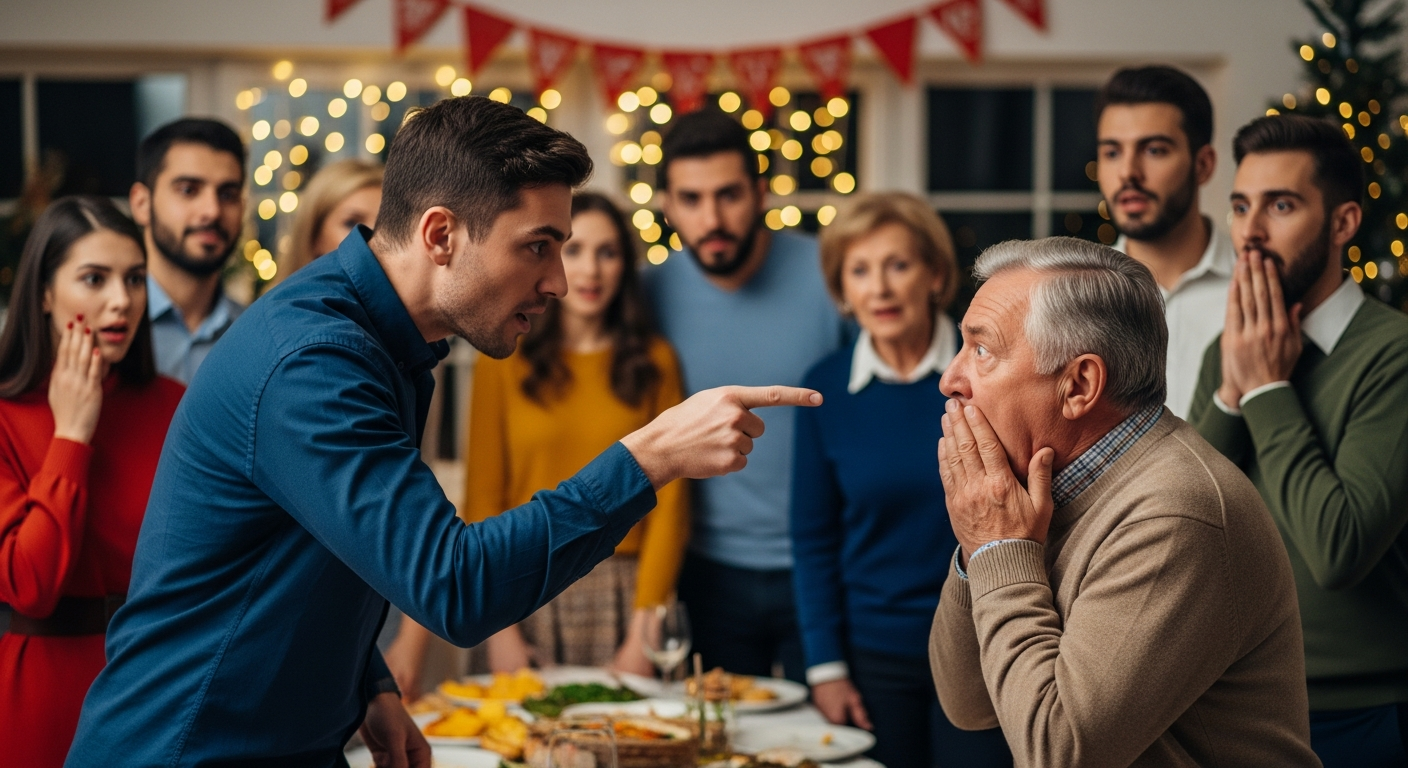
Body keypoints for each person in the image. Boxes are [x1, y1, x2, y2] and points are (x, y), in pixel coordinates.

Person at [66, 96, 820, 768]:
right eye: (538, 245)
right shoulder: (313, 362)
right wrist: (646, 458)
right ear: (440, 235)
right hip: (186, 745)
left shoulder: (391, 342)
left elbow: (329, 546)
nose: (558, 280)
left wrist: (367, 679)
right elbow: (454, 586)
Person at [930, 236, 1319, 766]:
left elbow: (1058, 752)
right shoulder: (1036, 490)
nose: (950, 379)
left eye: (982, 350)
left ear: (1079, 385)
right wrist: (982, 548)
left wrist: (998, 547)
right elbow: (967, 702)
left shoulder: (1177, 512)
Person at [389, 192, 690, 692]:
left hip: (625, 589)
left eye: (608, 252)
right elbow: (484, 493)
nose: (591, 270)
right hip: (523, 574)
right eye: (574, 251)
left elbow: (671, 503)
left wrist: (646, 626)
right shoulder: (505, 359)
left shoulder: (655, 361)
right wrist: (501, 629)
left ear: (626, 266)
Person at [1189, 114, 1408, 766]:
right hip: (1235, 704)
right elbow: (1186, 526)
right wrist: (1232, 392)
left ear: (1342, 224)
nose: (1250, 233)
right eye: (1239, 206)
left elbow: (1338, 550)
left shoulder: (1393, 355)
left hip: (1360, 716)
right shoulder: (1223, 353)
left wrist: (1264, 392)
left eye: (1280, 206)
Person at [791, 193, 1010, 768]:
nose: (880, 288)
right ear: (842, 289)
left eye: (898, 265)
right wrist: (826, 668)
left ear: (935, 275)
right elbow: (813, 541)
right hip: (871, 659)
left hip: (982, 647)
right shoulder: (824, 390)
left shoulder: (987, 377)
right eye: (860, 271)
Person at [646, 109, 846, 683]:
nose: (712, 218)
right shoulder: (645, 293)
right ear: (667, 205)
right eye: (691, 198)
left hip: (822, 565)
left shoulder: (833, 275)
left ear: (761, 192)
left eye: (729, 194)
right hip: (704, 571)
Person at [0, 196, 184, 768]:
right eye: (94, 278)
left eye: (133, 279)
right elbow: (30, 585)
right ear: (45, 293)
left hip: (156, 682)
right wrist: (72, 435)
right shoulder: (5, 418)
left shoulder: (176, 406)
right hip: (40, 695)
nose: (120, 300)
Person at [1096, 65, 1234, 419]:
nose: (1128, 172)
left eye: (1154, 150)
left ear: (1203, 165)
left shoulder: (1258, 291)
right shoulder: (1081, 295)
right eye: (1112, 153)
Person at [129, 118, 246, 384]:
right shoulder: (108, 327)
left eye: (228, 194)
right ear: (141, 204)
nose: (212, 211)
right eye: (188, 190)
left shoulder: (256, 335)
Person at [276, 158, 384, 281]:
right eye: (351, 223)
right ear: (314, 236)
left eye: (386, 226)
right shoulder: (279, 300)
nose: (373, 238)